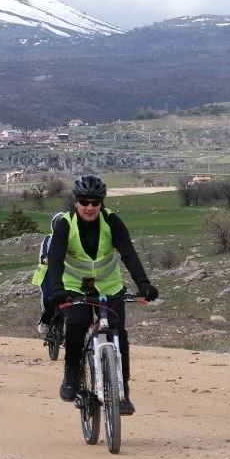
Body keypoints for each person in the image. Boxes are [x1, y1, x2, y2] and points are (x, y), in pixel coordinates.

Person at [43, 175, 159, 416]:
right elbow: (55, 258)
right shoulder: (66, 224)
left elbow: (128, 253)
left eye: (95, 202)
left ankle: (122, 392)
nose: (89, 207)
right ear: (76, 202)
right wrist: (56, 289)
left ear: (101, 203)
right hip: (74, 285)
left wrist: (144, 283)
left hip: (109, 285)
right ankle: (72, 373)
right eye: (84, 202)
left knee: (119, 334)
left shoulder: (112, 222)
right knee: (77, 324)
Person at [31, 213, 66, 337]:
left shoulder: (73, 240)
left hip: (67, 274)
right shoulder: (48, 239)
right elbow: (43, 256)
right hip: (48, 274)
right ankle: (45, 321)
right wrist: (47, 259)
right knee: (48, 298)